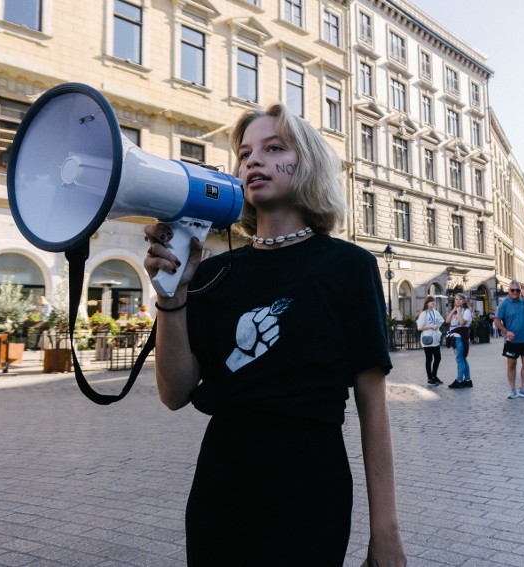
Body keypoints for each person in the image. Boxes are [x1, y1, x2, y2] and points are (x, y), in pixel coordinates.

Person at [143, 104, 405, 566]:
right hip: (222, 487)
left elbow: (372, 406)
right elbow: (174, 392)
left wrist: (385, 530)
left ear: (306, 164)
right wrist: (171, 295)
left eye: (273, 148)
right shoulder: (213, 271)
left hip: (310, 486)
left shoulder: (349, 267)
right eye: (244, 154)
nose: (252, 162)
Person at [493, 280, 524, 399]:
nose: (515, 292)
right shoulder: (504, 304)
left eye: (517, 290)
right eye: (512, 290)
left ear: (520, 291)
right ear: (508, 291)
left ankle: (523, 388)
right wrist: (506, 332)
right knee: (511, 364)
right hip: (512, 341)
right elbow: (496, 320)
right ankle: (512, 389)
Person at [446, 293, 472, 389]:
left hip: (461, 337)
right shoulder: (455, 311)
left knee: (460, 359)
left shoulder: (467, 311)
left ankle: (459, 380)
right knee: (462, 358)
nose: (457, 301)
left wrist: (459, 311)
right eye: (456, 299)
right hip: (454, 337)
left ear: (464, 301)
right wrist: (454, 310)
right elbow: (447, 321)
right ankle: (468, 380)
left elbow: (462, 322)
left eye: (460, 299)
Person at [417, 295, 444, 386]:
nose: (433, 302)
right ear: (427, 303)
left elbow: (441, 320)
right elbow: (419, 327)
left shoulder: (435, 312)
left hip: (435, 338)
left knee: (438, 358)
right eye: (431, 301)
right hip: (427, 338)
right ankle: (430, 378)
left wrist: (437, 326)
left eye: (433, 301)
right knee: (429, 359)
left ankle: (434, 376)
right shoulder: (424, 313)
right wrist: (431, 326)